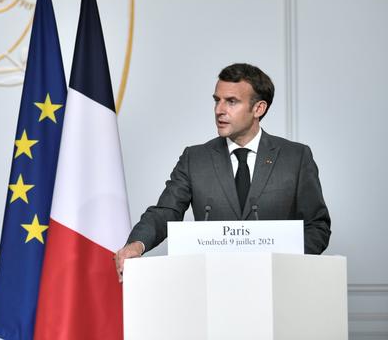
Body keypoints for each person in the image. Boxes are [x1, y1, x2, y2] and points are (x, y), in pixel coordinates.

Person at [114, 63, 330, 281]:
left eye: (232, 101)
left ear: (259, 109)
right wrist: (136, 245)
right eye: (217, 100)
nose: (219, 110)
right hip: (212, 287)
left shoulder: (295, 157)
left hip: (279, 286)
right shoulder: (195, 158)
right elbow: (165, 212)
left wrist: (286, 265)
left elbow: (317, 226)